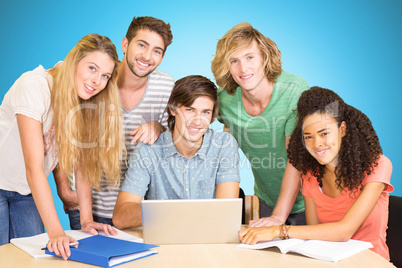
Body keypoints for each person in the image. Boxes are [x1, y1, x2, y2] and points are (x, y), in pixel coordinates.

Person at [0, 33, 125, 259]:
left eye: (105, 75)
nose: (97, 81)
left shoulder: (84, 99)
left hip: (25, 192)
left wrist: (86, 219)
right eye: (92, 68)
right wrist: (56, 232)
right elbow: (34, 167)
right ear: (74, 61)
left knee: (31, 259)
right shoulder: (34, 86)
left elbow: (82, 162)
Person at [239, 87, 393, 260]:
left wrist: (278, 230)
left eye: (324, 133)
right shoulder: (310, 173)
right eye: (308, 137)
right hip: (328, 261)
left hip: (370, 262)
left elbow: (344, 231)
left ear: (342, 129)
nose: (316, 144)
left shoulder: (378, 165)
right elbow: (314, 232)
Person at [55, 16, 175, 229]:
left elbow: (174, 144)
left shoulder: (166, 87)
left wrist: (159, 127)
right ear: (125, 44)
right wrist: (64, 189)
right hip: (86, 205)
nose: (147, 56)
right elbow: (61, 133)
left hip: (135, 209)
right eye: (142, 45)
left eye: (157, 51)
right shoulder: (96, 80)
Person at [211, 22, 309, 227]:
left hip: (309, 202)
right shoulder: (226, 100)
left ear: (264, 57)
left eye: (249, 57)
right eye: (234, 61)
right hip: (266, 200)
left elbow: (296, 159)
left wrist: (279, 218)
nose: (243, 68)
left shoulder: (294, 91)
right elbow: (205, 132)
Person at [112, 75, 241, 229]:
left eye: (205, 112)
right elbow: (120, 217)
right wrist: (165, 210)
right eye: (189, 110)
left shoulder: (223, 145)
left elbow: (225, 215)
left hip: (209, 242)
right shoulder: (148, 150)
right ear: (173, 109)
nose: (198, 121)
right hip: (164, 244)